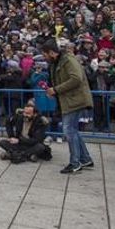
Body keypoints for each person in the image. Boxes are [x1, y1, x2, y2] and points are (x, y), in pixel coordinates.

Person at [42, 39, 94, 174]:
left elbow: (76, 78)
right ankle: (85, 158)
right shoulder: (55, 63)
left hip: (75, 100)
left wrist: (57, 90)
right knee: (73, 131)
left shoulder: (68, 60)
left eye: (45, 54)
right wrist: (53, 91)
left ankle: (75, 163)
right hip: (68, 100)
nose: (44, 57)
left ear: (52, 52)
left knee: (69, 130)